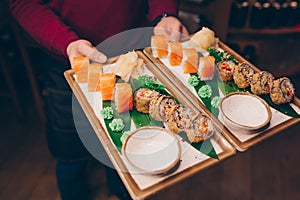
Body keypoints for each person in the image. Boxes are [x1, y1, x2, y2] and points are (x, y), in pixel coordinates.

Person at [9, 0, 189, 199]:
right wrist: (65, 42)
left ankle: (122, 189)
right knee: (70, 155)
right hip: (68, 64)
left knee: (126, 146)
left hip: (132, 57)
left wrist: (164, 13)